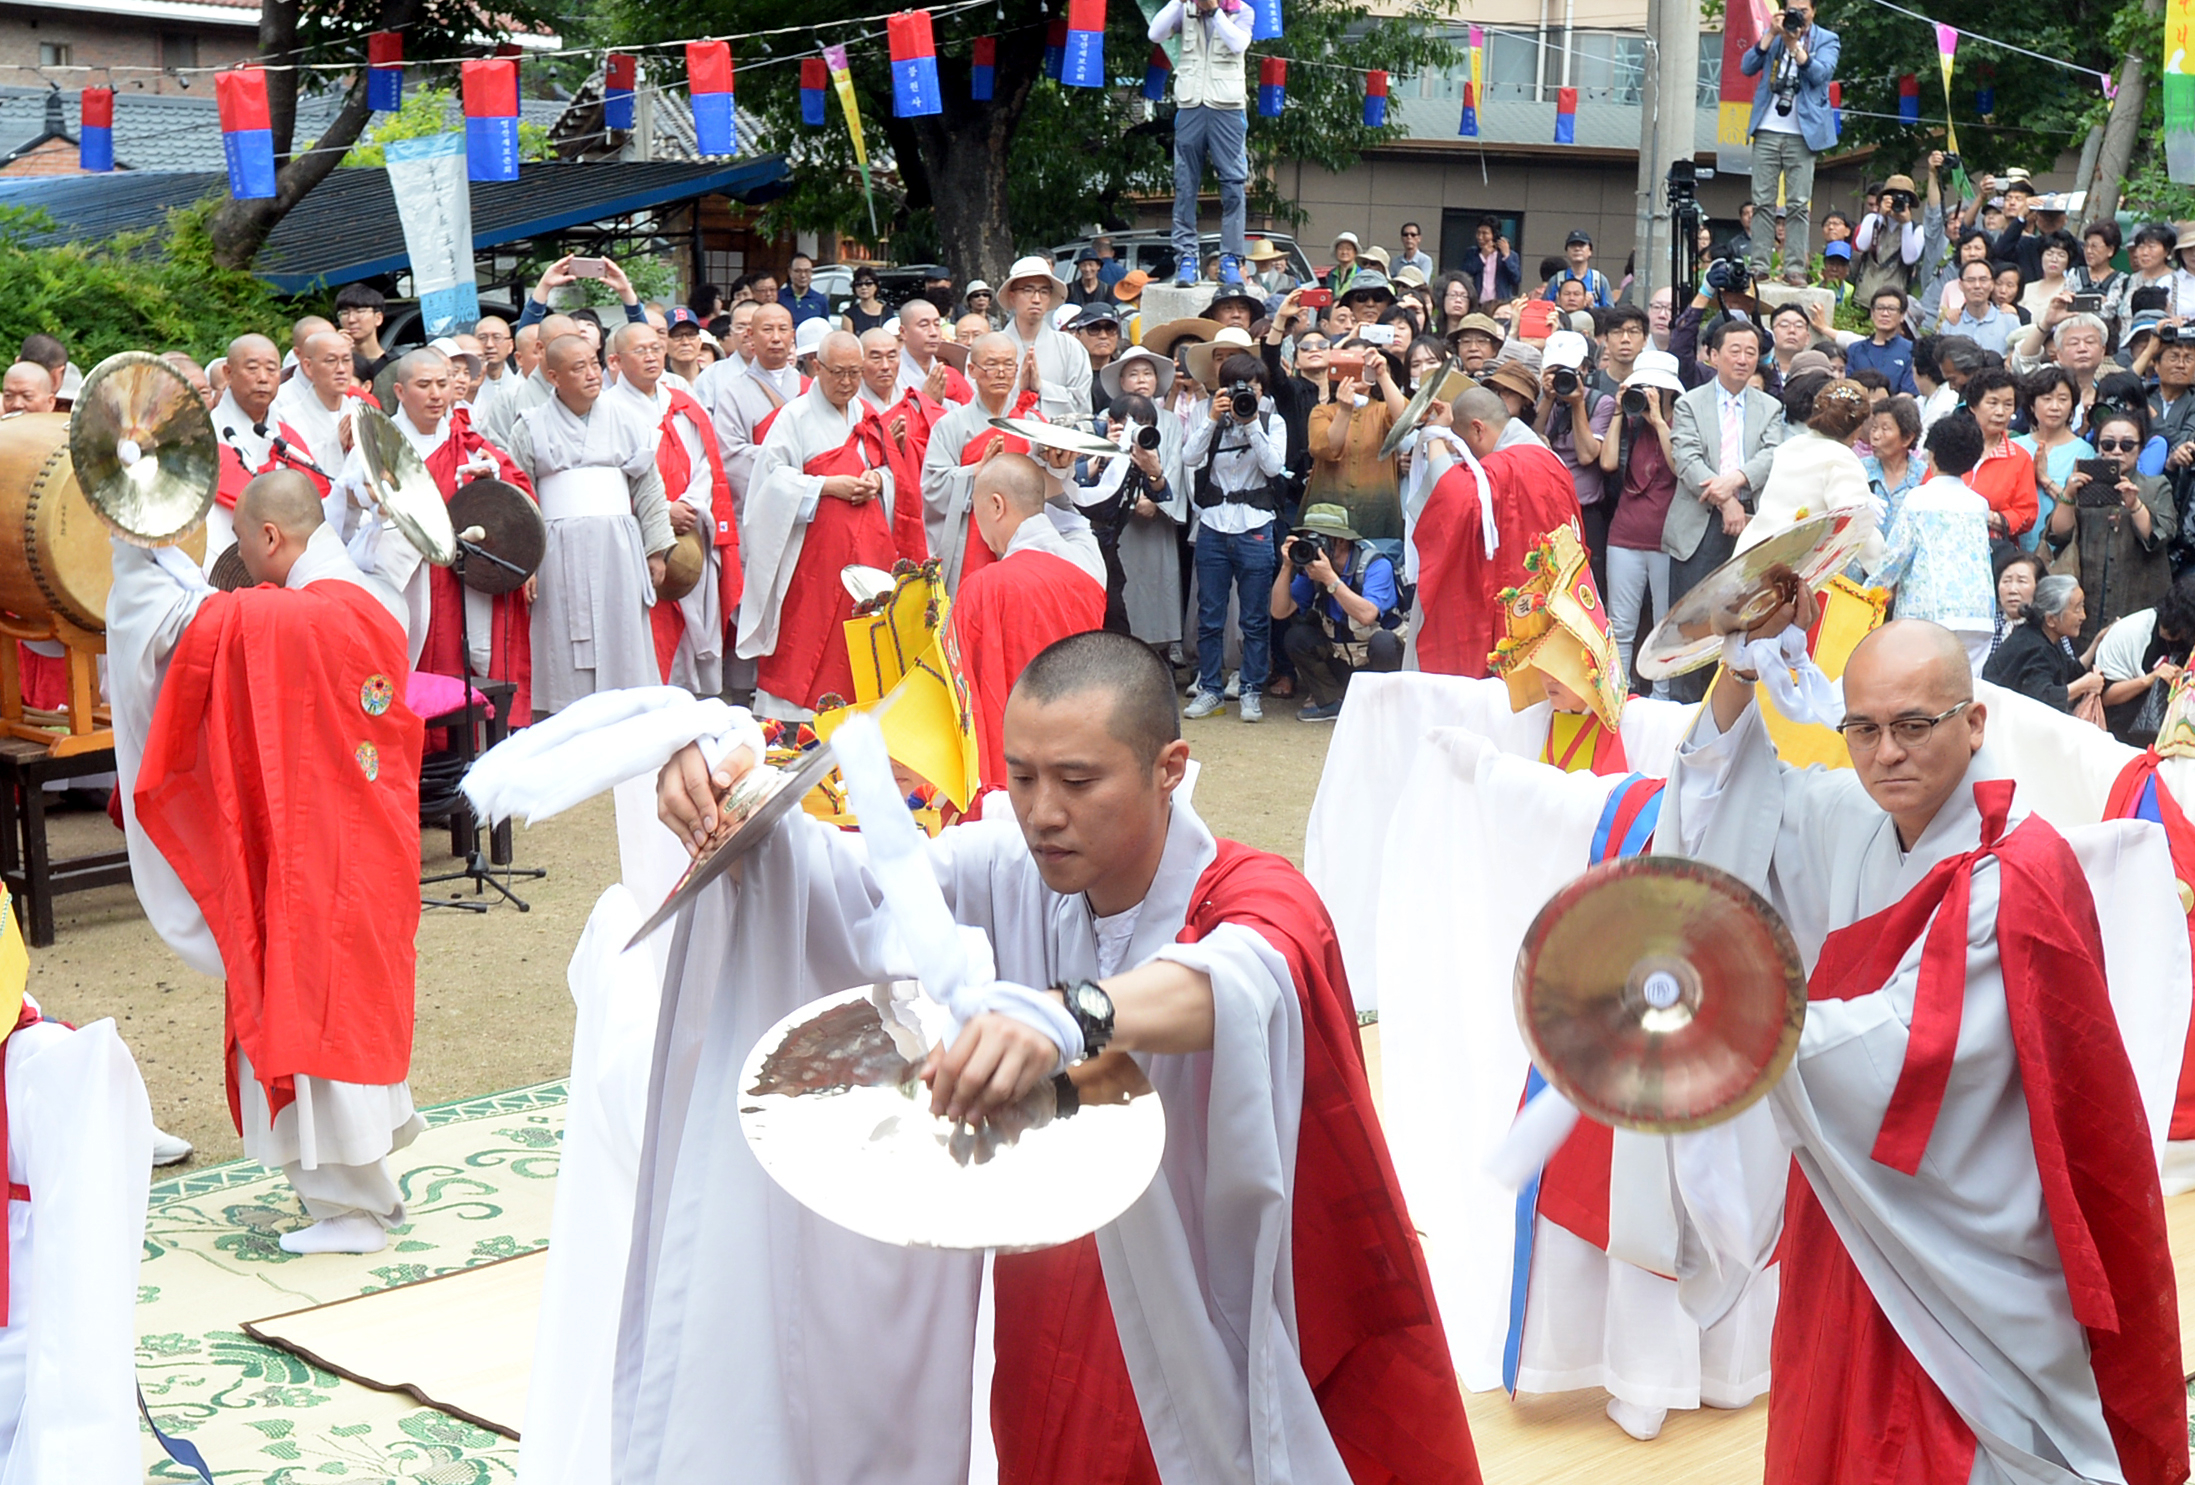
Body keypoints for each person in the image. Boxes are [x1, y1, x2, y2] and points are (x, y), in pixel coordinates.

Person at [628, 628, 1480, 1485]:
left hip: (1206, 1300)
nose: (1042, 810)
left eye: (1077, 780)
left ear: (1168, 767)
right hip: (1053, 1292)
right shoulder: (1015, 868)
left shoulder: (1251, 892)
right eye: (1022, 775)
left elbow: (1239, 975)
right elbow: (855, 892)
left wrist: (1070, 1014)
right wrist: (731, 791)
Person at [1662, 612, 2183, 1484]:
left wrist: (1736, 1020)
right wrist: (1738, 676)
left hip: (1967, 1239)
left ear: (1972, 722)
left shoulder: (2015, 871)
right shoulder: (1859, 822)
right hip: (1858, 1214)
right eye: (1860, 728)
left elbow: (1908, 1058)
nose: (1883, 755)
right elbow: (1737, 808)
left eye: (1912, 726)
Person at [110, 470, 426, 1257]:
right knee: (342, 998)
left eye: (245, 547)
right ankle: (365, 1188)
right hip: (354, 841)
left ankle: (350, 1207)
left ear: (272, 537)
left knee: (310, 1003)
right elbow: (218, 616)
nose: (242, 568)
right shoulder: (356, 594)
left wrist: (130, 560)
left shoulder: (295, 616)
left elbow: (181, 632)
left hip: (315, 856)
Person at [738, 330, 928, 717]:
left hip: (868, 550)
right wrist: (826, 485)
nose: (846, 383)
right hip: (812, 558)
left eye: (855, 373)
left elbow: (891, 473)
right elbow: (770, 484)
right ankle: (795, 717)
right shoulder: (794, 417)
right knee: (807, 635)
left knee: (860, 633)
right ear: (816, 368)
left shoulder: (865, 414)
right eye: (838, 373)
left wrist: (878, 480)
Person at [502, 335, 676, 715]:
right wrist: (526, 562)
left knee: (623, 637)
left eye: (594, 364)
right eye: (578, 368)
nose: (592, 374)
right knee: (560, 642)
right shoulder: (529, 427)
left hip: (618, 548)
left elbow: (648, 486)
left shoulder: (627, 419)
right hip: (555, 550)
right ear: (553, 376)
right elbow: (520, 497)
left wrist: (656, 548)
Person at [949, 453, 1107, 787]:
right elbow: (1073, 520)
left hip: (1014, 750)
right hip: (1081, 736)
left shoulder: (984, 586)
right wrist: (1055, 468)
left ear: (995, 506)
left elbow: (966, 689)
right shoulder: (1088, 564)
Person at [1412, 385, 1585, 676]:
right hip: (1556, 594)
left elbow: (1451, 504)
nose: (1469, 458)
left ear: (1478, 429)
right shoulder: (1550, 459)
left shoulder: (1505, 466)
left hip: (1512, 594)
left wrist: (1436, 437)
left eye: (1464, 445)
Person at [607, 322, 741, 696]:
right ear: (616, 361)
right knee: (648, 628)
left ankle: (703, 698)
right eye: (640, 350)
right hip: (639, 539)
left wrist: (689, 505)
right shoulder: (608, 412)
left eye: (655, 347)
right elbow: (612, 477)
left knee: (700, 621)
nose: (651, 356)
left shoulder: (682, 404)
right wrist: (660, 511)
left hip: (691, 532)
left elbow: (706, 465)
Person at [1663, 319, 1787, 700]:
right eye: (1735, 350)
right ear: (1712, 355)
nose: (1743, 359)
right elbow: (1686, 459)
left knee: (1740, 620)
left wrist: (1734, 482)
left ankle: (1731, 705)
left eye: (1751, 352)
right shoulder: (1689, 403)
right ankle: (1684, 708)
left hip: (1748, 526)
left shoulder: (1770, 406)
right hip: (1698, 527)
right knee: (1690, 624)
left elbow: (1771, 455)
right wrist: (1726, 501)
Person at [1182, 349, 1286, 721]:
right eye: (1236, 388)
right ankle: (1210, 688)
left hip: (1255, 525)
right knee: (1210, 615)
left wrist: (1252, 420)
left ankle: (1250, 690)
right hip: (1213, 523)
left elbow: (1274, 467)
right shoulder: (1209, 415)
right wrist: (1212, 419)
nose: (1245, 394)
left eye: (1252, 388)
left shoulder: (1272, 419)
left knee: (1255, 617)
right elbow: (1189, 458)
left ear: (1262, 390)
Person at [1871, 410, 1997, 669]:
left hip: (1929, 613)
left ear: (1932, 455)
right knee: (1966, 689)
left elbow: (1894, 558)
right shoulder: (1979, 505)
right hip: (1980, 616)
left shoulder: (1918, 499)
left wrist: (1866, 592)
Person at [2046, 405, 2180, 646]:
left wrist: (2135, 505)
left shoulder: (2156, 485)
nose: (2117, 451)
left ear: (2140, 450)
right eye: (2108, 445)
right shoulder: (2082, 484)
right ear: (2098, 448)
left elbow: (2162, 536)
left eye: (2127, 445)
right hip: (2086, 601)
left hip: (2137, 599)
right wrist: (2068, 494)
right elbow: (2058, 535)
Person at [921, 333, 1043, 594]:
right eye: (991, 364)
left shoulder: (1030, 424)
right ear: (972, 370)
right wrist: (976, 472)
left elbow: (1048, 486)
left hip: (1024, 538)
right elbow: (932, 487)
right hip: (972, 537)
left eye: (1008, 364)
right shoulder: (952, 424)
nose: (1001, 372)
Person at [1596, 350, 1687, 684]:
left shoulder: (1682, 422)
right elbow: (1606, 463)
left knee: (1663, 627)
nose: (1646, 392)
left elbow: (1681, 469)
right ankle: (1617, 693)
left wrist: (1660, 422)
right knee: (1620, 625)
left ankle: (1662, 697)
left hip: (1666, 538)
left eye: (1653, 387)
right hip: (1624, 535)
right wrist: (1620, 413)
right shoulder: (1629, 423)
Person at [1149, 0, 1251, 285]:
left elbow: (1239, 43)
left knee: (1233, 185)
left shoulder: (1241, 10)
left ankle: (1230, 259)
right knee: (1184, 185)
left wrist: (1216, 11)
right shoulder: (1184, 10)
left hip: (1227, 108)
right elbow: (1155, 34)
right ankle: (1186, 259)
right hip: (1191, 104)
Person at [1268, 503, 1402, 720]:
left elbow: (1367, 615)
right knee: (1296, 637)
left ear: (1340, 541)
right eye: (1307, 538)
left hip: (1378, 657)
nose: (1312, 546)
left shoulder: (1375, 565)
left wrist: (1330, 579)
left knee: (1384, 642)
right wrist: (1287, 566)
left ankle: (1388, 709)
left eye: (1317, 539)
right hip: (1343, 656)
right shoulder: (1312, 569)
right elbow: (1279, 611)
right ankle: (1331, 701)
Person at [1740, 0, 1839, 286]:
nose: (1797, 16)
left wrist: (1795, 46)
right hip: (1767, 127)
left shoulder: (1827, 39)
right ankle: (1758, 266)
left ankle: (1795, 268)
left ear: (1814, 11)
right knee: (1762, 202)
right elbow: (1747, 66)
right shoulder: (1774, 35)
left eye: (1803, 11)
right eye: (1792, 10)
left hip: (1803, 132)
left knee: (1797, 204)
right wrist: (1771, 34)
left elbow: (1821, 75)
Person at [1096, 359, 1191, 651]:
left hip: (1156, 518)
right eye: (1133, 374)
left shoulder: (1169, 420)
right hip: (1115, 521)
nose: (1141, 379)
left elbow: (1175, 463)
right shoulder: (1104, 419)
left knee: (1155, 586)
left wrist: (1155, 496)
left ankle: (1160, 651)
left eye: (1148, 373)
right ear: (1120, 381)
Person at [208, 333, 326, 569]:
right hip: (220, 562)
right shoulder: (204, 441)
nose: (263, 378)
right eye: (252, 369)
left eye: (271, 370)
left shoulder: (287, 439)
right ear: (228, 373)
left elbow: (321, 502)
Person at [696, 301, 803, 515]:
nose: (775, 338)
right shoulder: (734, 392)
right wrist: (792, 465)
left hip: (808, 504)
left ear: (792, 336)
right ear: (751, 335)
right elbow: (730, 454)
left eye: (782, 330)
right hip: (758, 507)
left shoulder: (809, 388)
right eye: (767, 330)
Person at [1303, 337, 1407, 542]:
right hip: (1329, 515)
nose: (1356, 371)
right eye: (1349, 364)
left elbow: (1405, 419)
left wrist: (1383, 375)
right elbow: (1324, 449)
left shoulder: (1383, 410)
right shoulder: (1322, 412)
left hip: (1377, 514)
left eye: (1363, 365)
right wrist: (1344, 411)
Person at [1537, 330, 1616, 579]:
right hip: (1546, 509)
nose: (1562, 376)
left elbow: (1586, 455)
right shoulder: (1542, 400)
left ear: (1583, 367)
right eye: (1555, 370)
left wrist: (1578, 403)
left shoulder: (1600, 403)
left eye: (1567, 369)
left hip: (1585, 512)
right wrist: (1548, 399)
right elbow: (1532, 446)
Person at [1983, 573, 2107, 713]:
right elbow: (2042, 698)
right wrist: (2084, 685)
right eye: (2077, 609)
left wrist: (2098, 641)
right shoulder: (2036, 649)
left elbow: (2070, 670)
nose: (2083, 616)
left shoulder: (2048, 637)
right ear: (2051, 620)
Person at [2095, 573, 2195, 745]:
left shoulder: (2189, 640)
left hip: (2173, 732)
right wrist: (2150, 679)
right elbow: (2104, 697)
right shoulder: (2131, 631)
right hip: (2125, 730)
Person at [997, 256, 1093, 424]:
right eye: (1028, 290)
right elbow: (978, 401)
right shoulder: (990, 347)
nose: (1036, 299)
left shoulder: (1070, 347)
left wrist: (1041, 387)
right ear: (1012, 296)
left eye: (1043, 291)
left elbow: (1082, 406)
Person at [1950, 366, 2036, 543]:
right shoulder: (1951, 447)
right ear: (1973, 406)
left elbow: (2026, 513)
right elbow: (1931, 488)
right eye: (1992, 403)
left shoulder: (2019, 458)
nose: (2000, 412)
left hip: (1995, 552)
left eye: (2008, 405)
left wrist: (1985, 516)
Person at [271, 328, 364, 476]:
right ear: (308, 367)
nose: (341, 369)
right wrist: (335, 444)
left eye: (346, 360)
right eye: (331, 361)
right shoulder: (286, 419)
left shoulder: (360, 412)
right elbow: (285, 471)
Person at [1862, 393, 1927, 533]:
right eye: (1874, 428)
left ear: (1907, 438)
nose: (1876, 436)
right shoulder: (1860, 471)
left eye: (1885, 429)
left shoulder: (1923, 476)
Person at [1845, 287, 1919, 395]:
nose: (1885, 313)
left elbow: (1908, 393)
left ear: (1902, 316)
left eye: (1892, 309)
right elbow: (1848, 386)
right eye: (1880, 308)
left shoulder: (1911, 350)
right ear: (1872, 313)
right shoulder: (1855, 349)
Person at [1989, 548, 2046, 656]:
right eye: (2006, 581)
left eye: (2022, 581)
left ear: (2038, 586)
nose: (2012, 590)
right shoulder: (1988, 626)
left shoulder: (2049, 627)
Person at [334, 283, 392, 385]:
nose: (351, 319)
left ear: (378, 318)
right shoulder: (335, 366)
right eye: (344, 313)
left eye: (360, 311)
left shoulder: (396, 366)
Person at [843, 267, 888, 334]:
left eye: (868, 283)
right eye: (859, 284)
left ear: (876, 286)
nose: (863, 287)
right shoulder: (849, 315)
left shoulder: (887, 312)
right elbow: (849, 342)